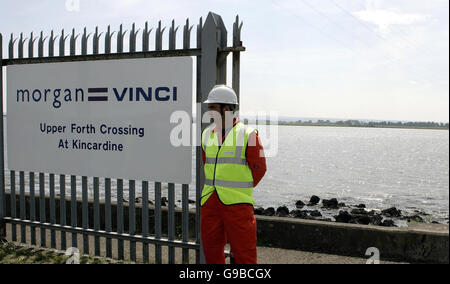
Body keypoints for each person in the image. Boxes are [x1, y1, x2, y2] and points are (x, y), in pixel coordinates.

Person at [201, 85, 267, 264]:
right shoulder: (206, 134)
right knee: (211, 250)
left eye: (213, 108)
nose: (209, 112)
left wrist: (240, 189)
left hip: (238, 204)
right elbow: (206, 163)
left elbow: (260, 168)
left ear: (227, 108)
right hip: (210, 200)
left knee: (244, 252)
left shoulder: (249, 134)